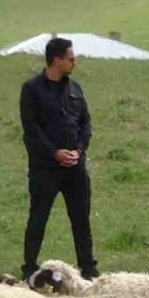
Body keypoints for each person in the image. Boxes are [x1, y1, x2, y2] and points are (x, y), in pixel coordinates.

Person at [19, 38, 98, 281]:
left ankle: (88, 267)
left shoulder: (75, 88)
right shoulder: (32, 89)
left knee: (81, 217)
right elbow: (31, 130)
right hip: (45, 168)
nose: (75, 62)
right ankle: (30, 267)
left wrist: (79, 149)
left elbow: (85, 122)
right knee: (38, 216)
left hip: (75, 167)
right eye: (71, 58)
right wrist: (55, 153)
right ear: (57, 60)